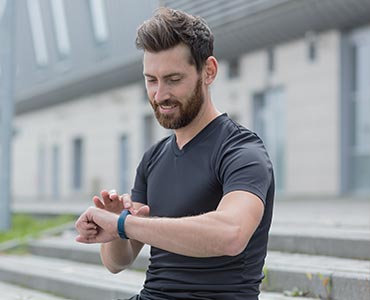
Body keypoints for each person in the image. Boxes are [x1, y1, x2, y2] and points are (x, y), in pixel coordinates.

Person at [75, 7, 274, 300]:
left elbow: (231, 234)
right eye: (151, 80)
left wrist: (125, 224)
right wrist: (116, 228)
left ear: (209, 72)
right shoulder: (153, 159)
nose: (159, 95)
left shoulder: (242, 151)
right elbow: (117, 262)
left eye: (173, 79)